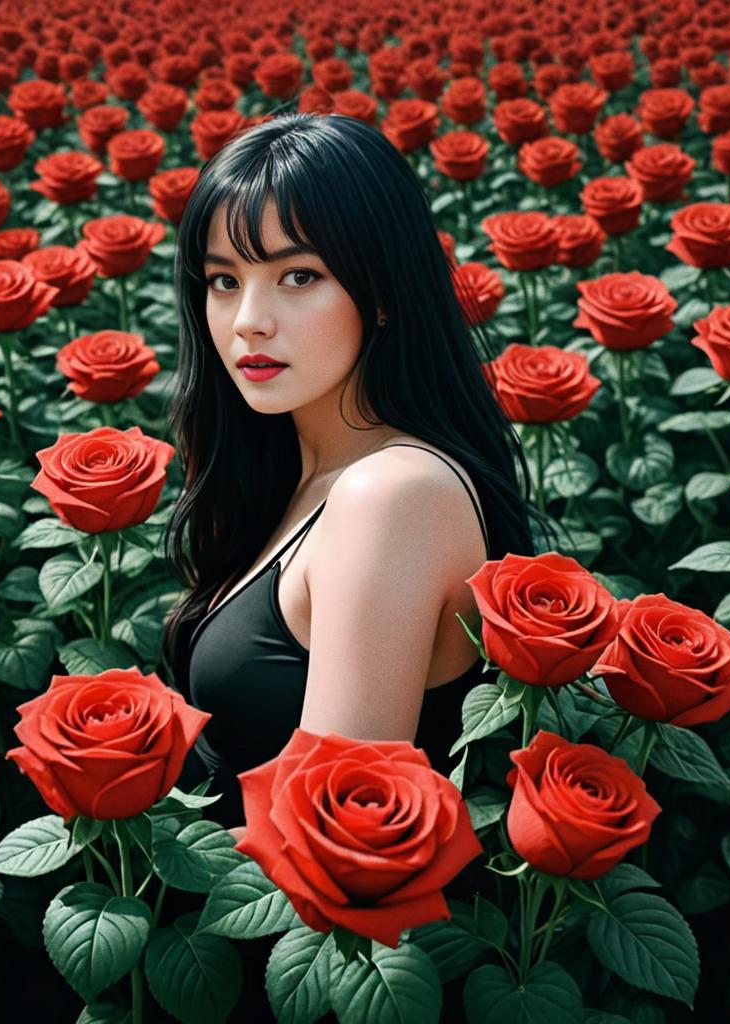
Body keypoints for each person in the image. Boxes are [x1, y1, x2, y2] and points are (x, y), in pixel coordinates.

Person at [153, 111, 554, 1019]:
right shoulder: (313, 476)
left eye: (298, 276)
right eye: (222, 281)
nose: (248, 320)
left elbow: (335, 842)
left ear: (378, 290)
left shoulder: (391, 495)